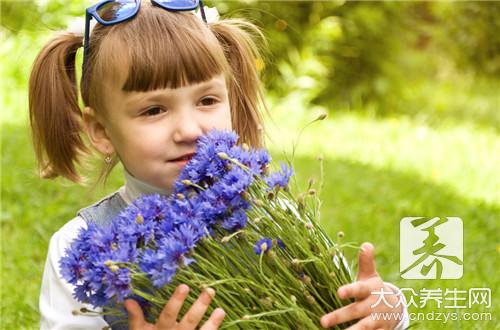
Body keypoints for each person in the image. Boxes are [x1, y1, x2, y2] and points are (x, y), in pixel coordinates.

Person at [29, 1, 410, 329]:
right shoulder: (81, 249)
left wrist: (386, 306)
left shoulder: (272, 211)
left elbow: (344, 306)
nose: (190, 129)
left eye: (207, 101)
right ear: (102, 131)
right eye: (154, 110)